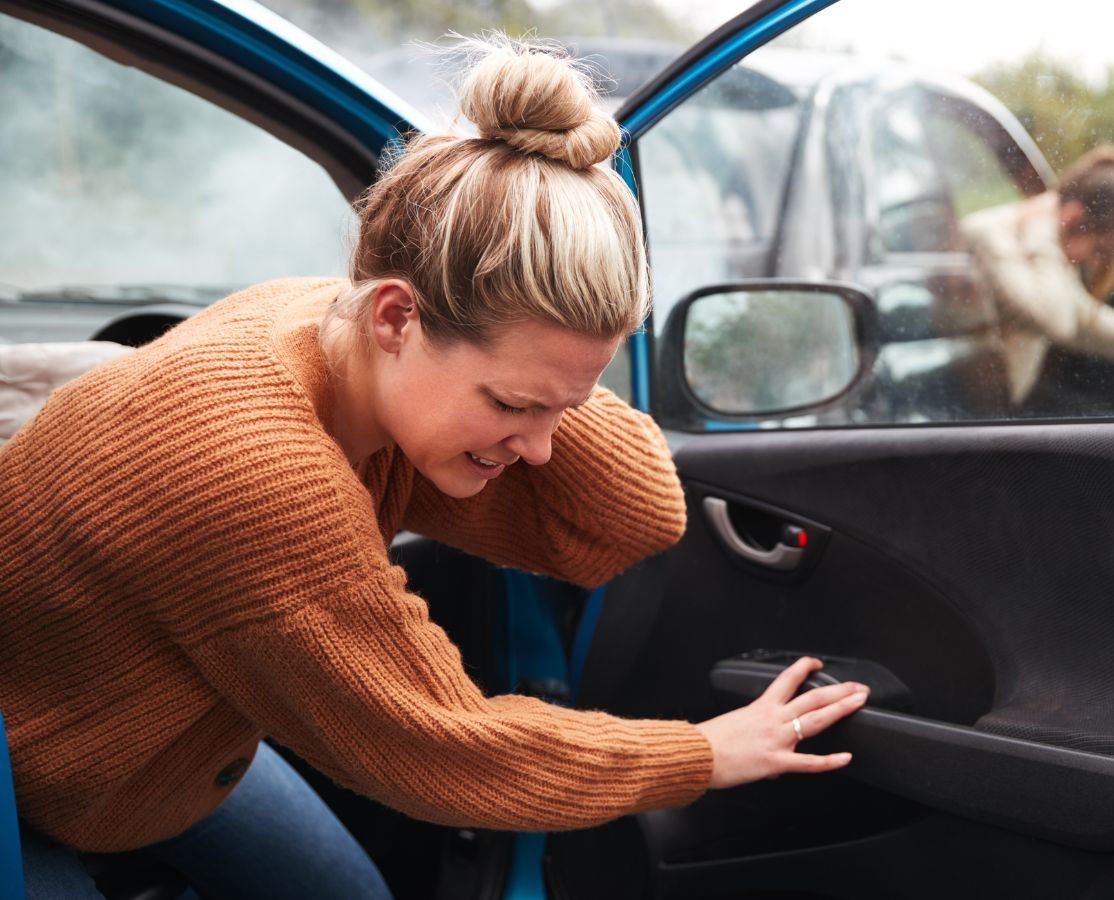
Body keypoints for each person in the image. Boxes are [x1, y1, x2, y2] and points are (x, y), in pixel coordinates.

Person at [0, 38, 869, 899]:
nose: (540, 451)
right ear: (393, 317)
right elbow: (445, 747)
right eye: (510, 404)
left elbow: (633, 517)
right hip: (30, 780)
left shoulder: (327, 326)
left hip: (167, 761)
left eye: (566, 409)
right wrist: (705, 754)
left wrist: (547, 376)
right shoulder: (253, 470)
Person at [960, 144, 1114, 408]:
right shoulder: (992, 237)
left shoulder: (1043, 249)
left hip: (995, 408)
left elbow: (1082, 318)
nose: (1094, 263)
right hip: (963, 417)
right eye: (1100, 250)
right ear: (1073, 217)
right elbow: (1059, 321)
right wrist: (1043, 228)